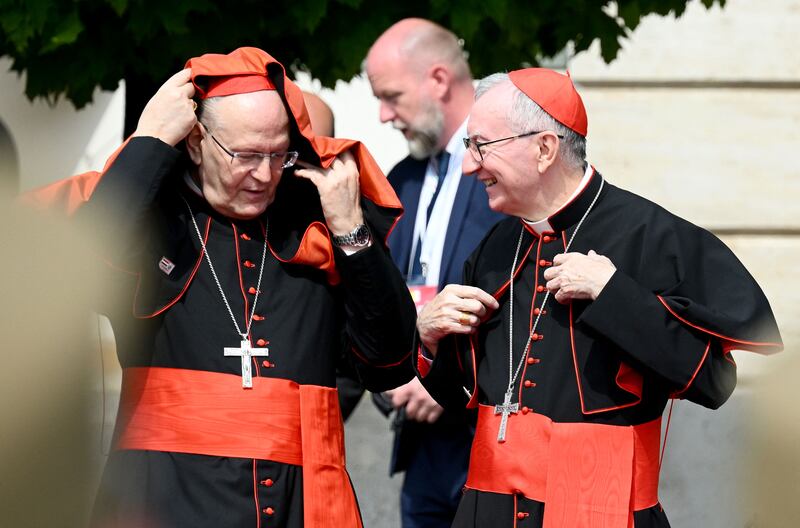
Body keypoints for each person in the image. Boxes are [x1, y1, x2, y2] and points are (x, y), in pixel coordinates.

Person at [32, 47, 416, 528]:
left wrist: (352, 234)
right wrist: (149, 142)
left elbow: (391, 362)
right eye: (245, 155)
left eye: (279, 155)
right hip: (164, 499)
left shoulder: (314, 225)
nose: (263, 175)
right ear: (195, 142)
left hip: (300, 503)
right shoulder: (150, 220)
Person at [415, 68, 783, 527]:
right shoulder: (493, 249)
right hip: (488, 511)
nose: (469, 166)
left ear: (545, 148)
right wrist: (427, 343)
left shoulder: (652, 237)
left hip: (599, 506)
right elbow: (463, 398)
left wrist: (614, 294)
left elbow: (714, 385)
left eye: (480, 146)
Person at [364, 18, 504, 527]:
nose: (382, 115)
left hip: (490, 441)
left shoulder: (507, 168)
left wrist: (449, 382)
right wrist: (396, 375)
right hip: (421, 442)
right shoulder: (400, 178)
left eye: (392, 96)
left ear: (439, 80)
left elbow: (527, 298)